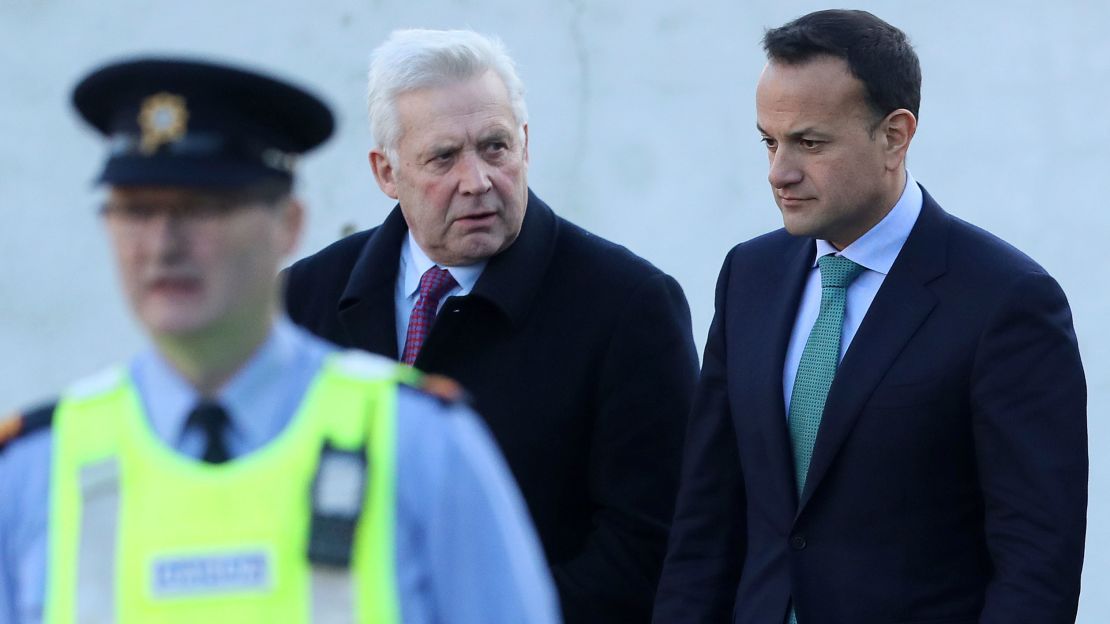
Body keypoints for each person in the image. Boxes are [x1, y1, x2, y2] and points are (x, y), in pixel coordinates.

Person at [0, 56, 560, 624]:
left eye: (204, 211)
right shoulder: (37, 470)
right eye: (136, 213)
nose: (163, 244)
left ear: (289, 225)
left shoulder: (419, 446)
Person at [654, 9, 1087, 624]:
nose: (779, 172)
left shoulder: (1007, 302)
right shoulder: (749, 276)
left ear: (895, 136)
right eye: (769, 142)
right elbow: (706, 520)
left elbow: (1037, 560)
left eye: (809, 142)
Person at [283, 29, 699, 622]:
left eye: (495, 147)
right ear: (386, 172)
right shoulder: (303, 299)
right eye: (444, 157)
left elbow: (650, 546)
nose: (476, 180)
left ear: (525, 146)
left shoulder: (629, 304)